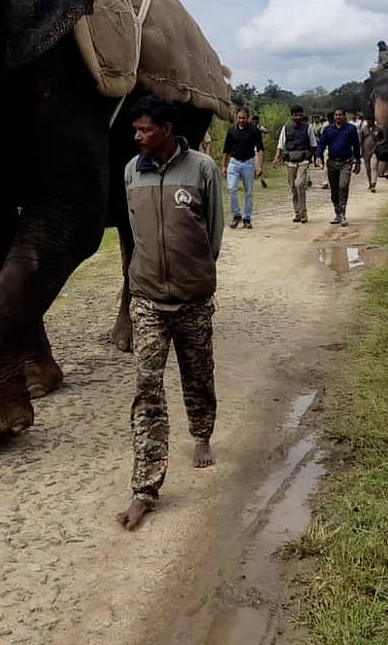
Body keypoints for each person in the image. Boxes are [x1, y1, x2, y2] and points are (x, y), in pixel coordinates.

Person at [117, 96, 224, 531]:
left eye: (145, 130)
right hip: (146, 299)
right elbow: (134, 231)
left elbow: (213, 233)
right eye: (135, 131)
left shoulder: (201, 169)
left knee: (197, 373)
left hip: (193, 297)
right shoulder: (130, 172)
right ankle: (145, 488)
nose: (138, 137)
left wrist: (196, 274)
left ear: (166, 129)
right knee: (147, 387)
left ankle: (202, 434)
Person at [315, 108, 362, 225]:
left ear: (344, 116)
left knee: (343, 186)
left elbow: (356, 146)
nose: (338, 117)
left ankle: (343, 214)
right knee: (334, 190)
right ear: (334, 117)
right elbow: (321, 144)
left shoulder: (351, 129)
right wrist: (318, 156)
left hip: (346, 162)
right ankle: (337, 213)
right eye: (336, 115)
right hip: (332, 162)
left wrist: (358, 162)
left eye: (340, 115)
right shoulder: (328, 130)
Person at [272, 104, 318, 223]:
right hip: (290, 161)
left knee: (299, 184)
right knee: (292, 186)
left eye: (300, 115)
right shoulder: (286, 128)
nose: (298, 117)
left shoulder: (308, 128)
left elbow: (313, 145)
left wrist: (314, 158)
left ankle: (304, 212)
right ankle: (297, 212)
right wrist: (276, 158)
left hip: (303, 160)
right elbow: (280, 145)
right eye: (295, 115)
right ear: (291, 116)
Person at [221, 107, 265, 228]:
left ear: (248, 117)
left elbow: (260, 149)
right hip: (234, 162)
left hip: (248, 162)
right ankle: (236, 215)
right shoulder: (231, 131)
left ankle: (247, 218)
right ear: (236, 117)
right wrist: (223, 166)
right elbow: (226, 150)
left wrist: (260, 166)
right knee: (231, 189)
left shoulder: (254, 131)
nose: (241, 120)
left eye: (244, 118)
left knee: (249, 192)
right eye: (239, 118)